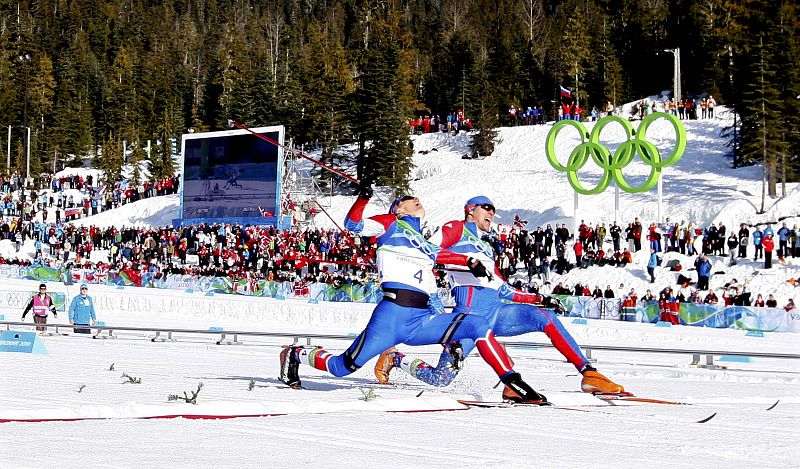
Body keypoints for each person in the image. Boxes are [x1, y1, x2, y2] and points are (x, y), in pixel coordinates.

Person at [279, 190, 548, 403]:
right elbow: (353, 224)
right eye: (408, 199)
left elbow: (441, 258)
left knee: (476, 323)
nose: (415, 199)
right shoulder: (390, 224)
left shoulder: (423, 242)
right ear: (398, 208)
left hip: (420, 318)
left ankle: (513, 381)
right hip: (392, 315)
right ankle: (296, 354)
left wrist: (468, 261)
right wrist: (363, 198)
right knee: (342, 367)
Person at [372, 196, 624, 397]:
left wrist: (538, 299)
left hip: (497, 310)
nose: (492, 213)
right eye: (486, 208)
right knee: (441, 379)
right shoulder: (456, 228)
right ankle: (395, 357)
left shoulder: (487, 246)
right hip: (470, 316)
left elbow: (502, 288)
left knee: (544, 317)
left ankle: (589, 374)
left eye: (493, 209)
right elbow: (429, 254)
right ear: (470, 209)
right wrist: (443, 295)